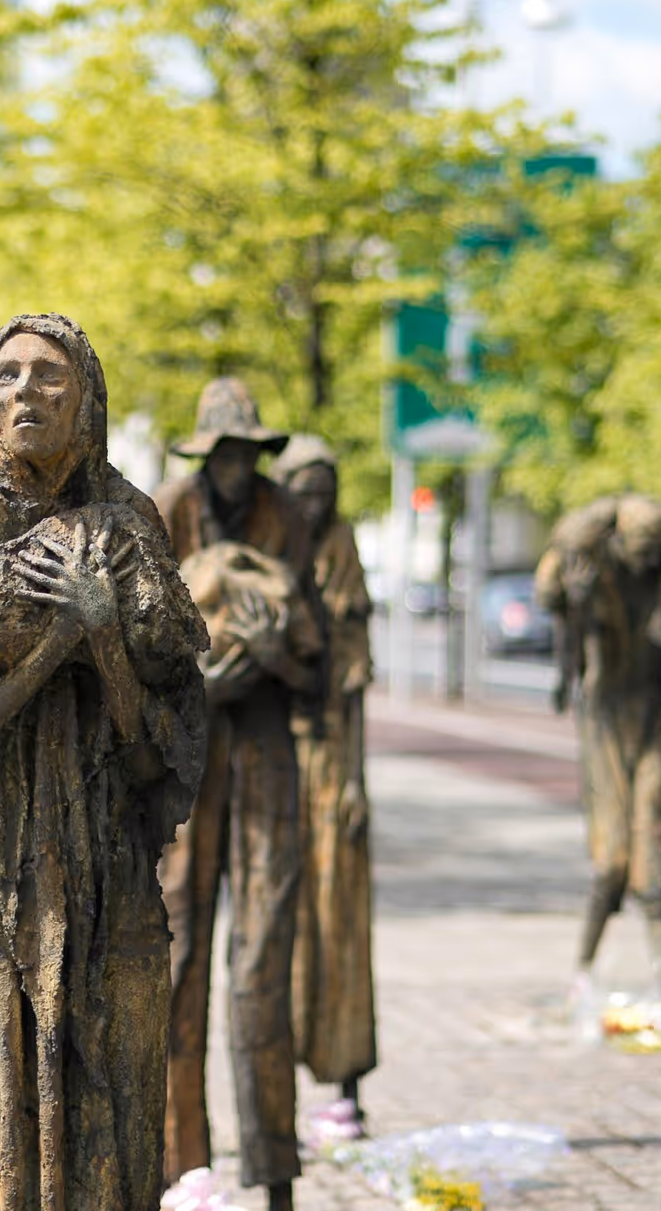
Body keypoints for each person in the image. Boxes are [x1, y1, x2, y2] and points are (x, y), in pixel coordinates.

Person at [0, 314, 208, 1211]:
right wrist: (53, 645)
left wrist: (106, 637)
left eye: (49, 375)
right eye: (7, 376)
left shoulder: (130, 517)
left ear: (87, 398)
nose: (26, 392)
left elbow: (161, 744)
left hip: (105, 857)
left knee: (110, 1091)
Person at [156, 378, 322, 1211]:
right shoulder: (168, 509)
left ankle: (274, 1169)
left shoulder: (287, 516)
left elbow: (318, 664)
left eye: (245, 452)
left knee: (262, 960)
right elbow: (139, 649)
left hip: (265, 760)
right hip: (190, 765)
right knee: (177, 951)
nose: (233, 466)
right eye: (221, 452)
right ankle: (182, 1164)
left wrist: (275, 655)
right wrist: (198, 685)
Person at [533, 494, 661, 1005]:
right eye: (637, 549)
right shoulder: (592, 575)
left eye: (653, 551)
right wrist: (575, 622)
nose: (644, 560)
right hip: (605, 721)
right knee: (611, 858)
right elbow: (554, 604)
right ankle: (584, 970)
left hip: (651, 721)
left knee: (656, 848)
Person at [272, 435, 378, 1111]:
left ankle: (345, 1085)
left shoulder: (342, 554)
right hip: (272, 755)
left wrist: (357, 778)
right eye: (303, 491)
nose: (315, 504)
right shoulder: (267, 547)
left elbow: (355, 680)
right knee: (278, 920)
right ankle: (276, 1088)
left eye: (325, 491)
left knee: (340, 912)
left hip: (331, 752)